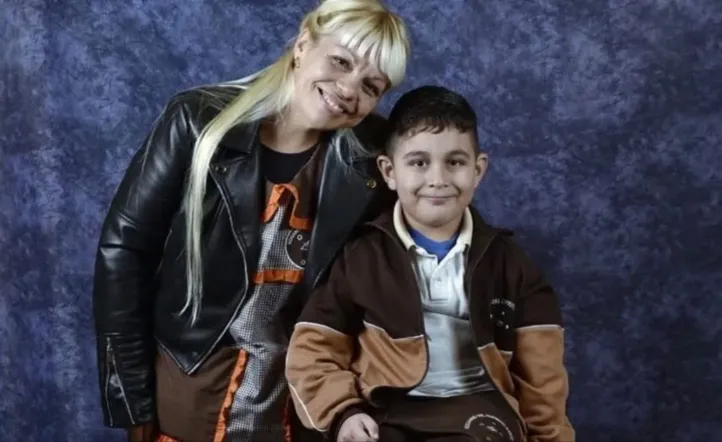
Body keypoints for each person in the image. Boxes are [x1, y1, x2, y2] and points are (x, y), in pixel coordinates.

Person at [91, 1, 410, 441]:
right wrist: (132, 399)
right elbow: (124, 252)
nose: (348, 88)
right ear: (303, 44)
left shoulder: (372, 161)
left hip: (299, 409)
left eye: (371, 86)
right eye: (341, 61)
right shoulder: (197, 121)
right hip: (189, 396)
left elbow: (427, 234)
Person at [285, 85, 575, 442]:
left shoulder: (513, 267)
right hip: (384, 407)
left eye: (455, 162)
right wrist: (343, 412)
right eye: (419, 163)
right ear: (389, 171)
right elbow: (313, 350)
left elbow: (543, 381)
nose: (438, 180)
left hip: (478, 409)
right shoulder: (360, 258)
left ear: (478, 170)